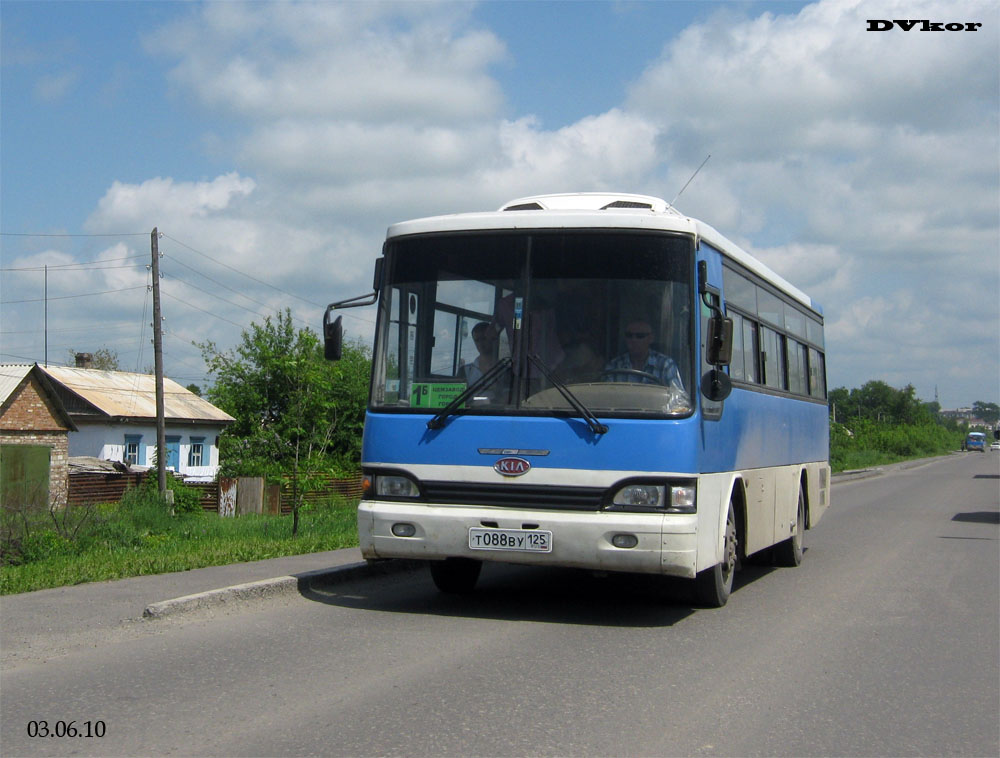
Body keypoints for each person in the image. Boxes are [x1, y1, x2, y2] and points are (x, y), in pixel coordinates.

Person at [604, 319, 684, 390]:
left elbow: (678, 400)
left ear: (651, 338)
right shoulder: (614, 366)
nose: (633, 340)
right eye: (629, 335)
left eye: (640, 336)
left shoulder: (666, 365)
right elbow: (606, 397)